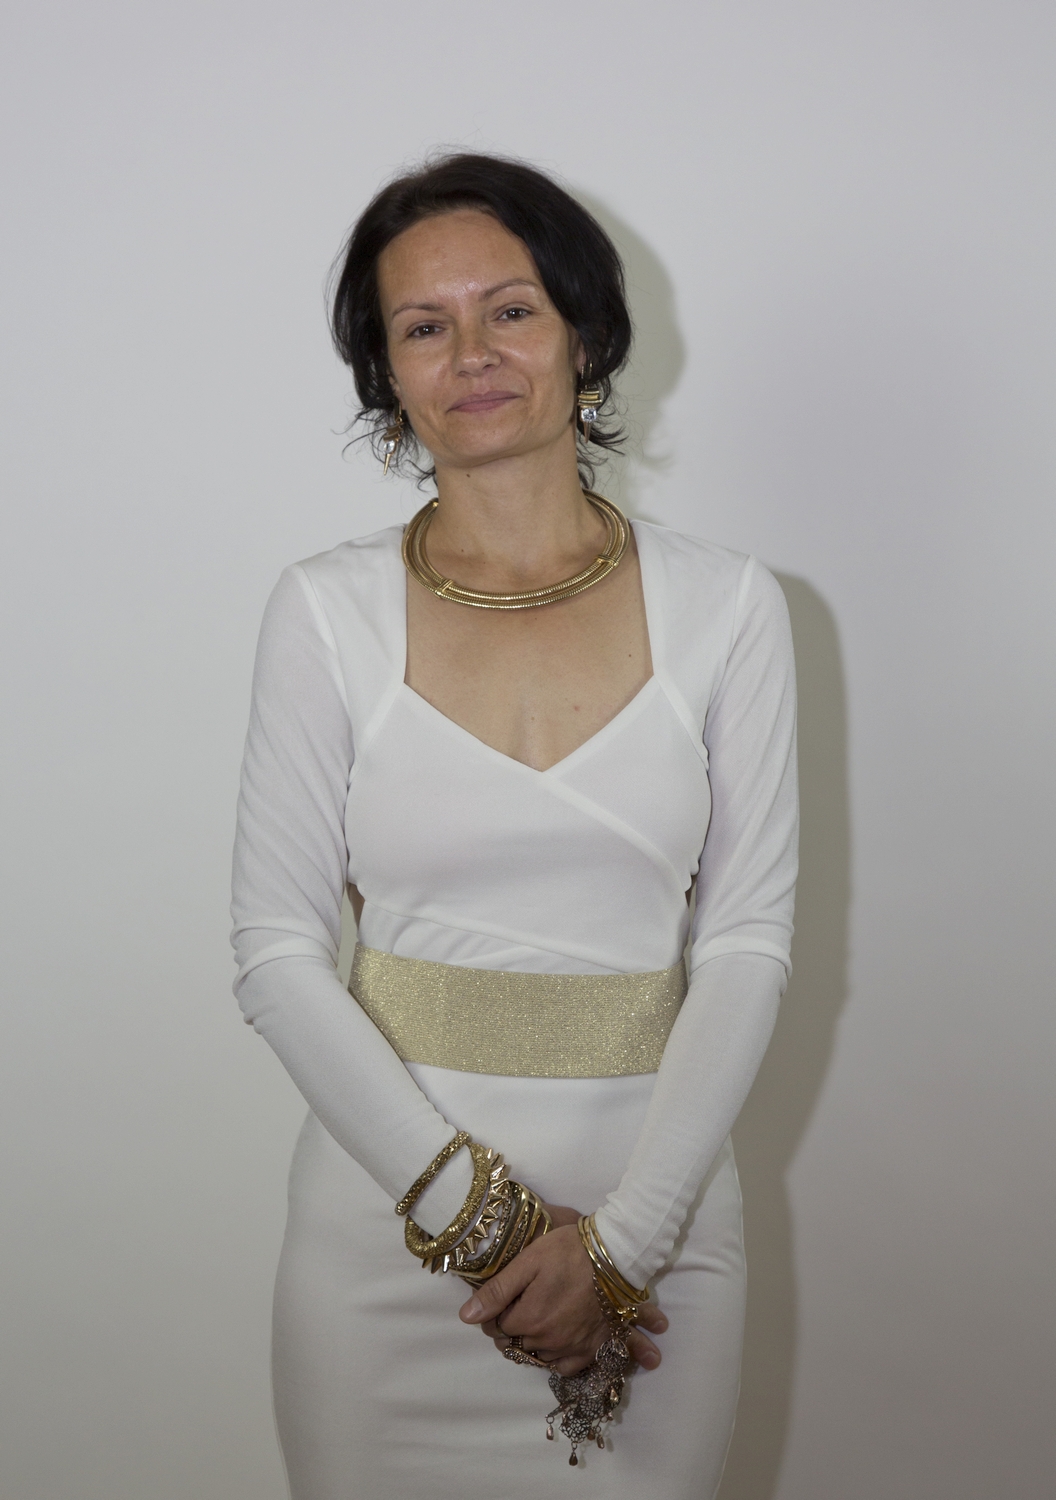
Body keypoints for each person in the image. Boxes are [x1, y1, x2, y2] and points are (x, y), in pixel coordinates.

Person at [230, 152, 797, 1500]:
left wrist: (621, 1250)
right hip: (387, 1239)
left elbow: (747, 947)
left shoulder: (731, 606)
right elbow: (275, 953)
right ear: (388, 374)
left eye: (512, 310)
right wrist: (480, 1223)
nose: (472, 353)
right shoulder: (323, 612)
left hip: (660, 1242)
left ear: (585, 336)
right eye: (424, 326)